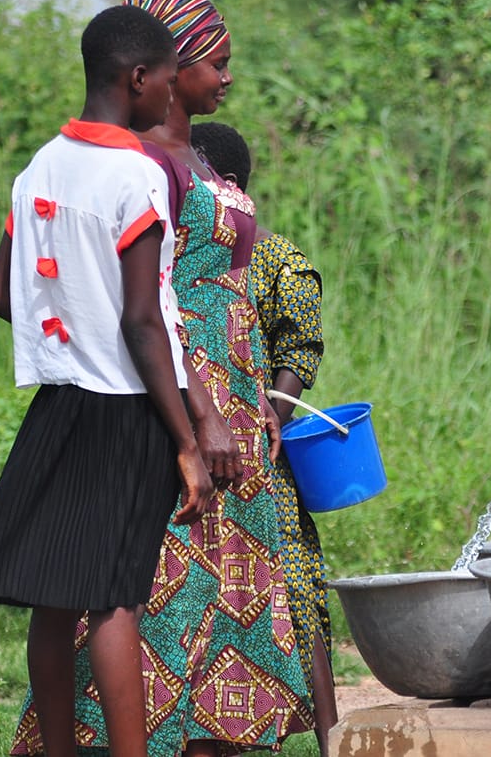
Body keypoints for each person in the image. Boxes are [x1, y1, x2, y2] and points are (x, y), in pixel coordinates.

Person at [14, 0, 311, 755]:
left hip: (232, 389)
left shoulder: (200, 156)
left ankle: (212, 732)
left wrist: (254, 390)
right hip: (175, 390)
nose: (227, 77)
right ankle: (133, 734)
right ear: (166, 70)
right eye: (216, 62)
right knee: (156, 578)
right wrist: (199, 412)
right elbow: (146, 301)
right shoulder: (136, 165)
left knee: (223, 579)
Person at [0, 5, 213, 757]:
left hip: (59, 403)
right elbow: (143, 321)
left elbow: (2, 294)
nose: (171, 95)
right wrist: (186, 440)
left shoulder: (41, 166)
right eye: (167, 80)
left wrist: (68, 327)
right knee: (115, 600)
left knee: (57, 596)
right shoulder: (135, 173)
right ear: (139, 79)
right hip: (127, 411)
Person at [192, 121, 339, 756]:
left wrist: (269, 413)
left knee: (291, 586)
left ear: (224, 185)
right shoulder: (185, 256)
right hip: (198, 445)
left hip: (260, 454)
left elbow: (301, 347)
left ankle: (329, 733)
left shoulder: (277, 260)